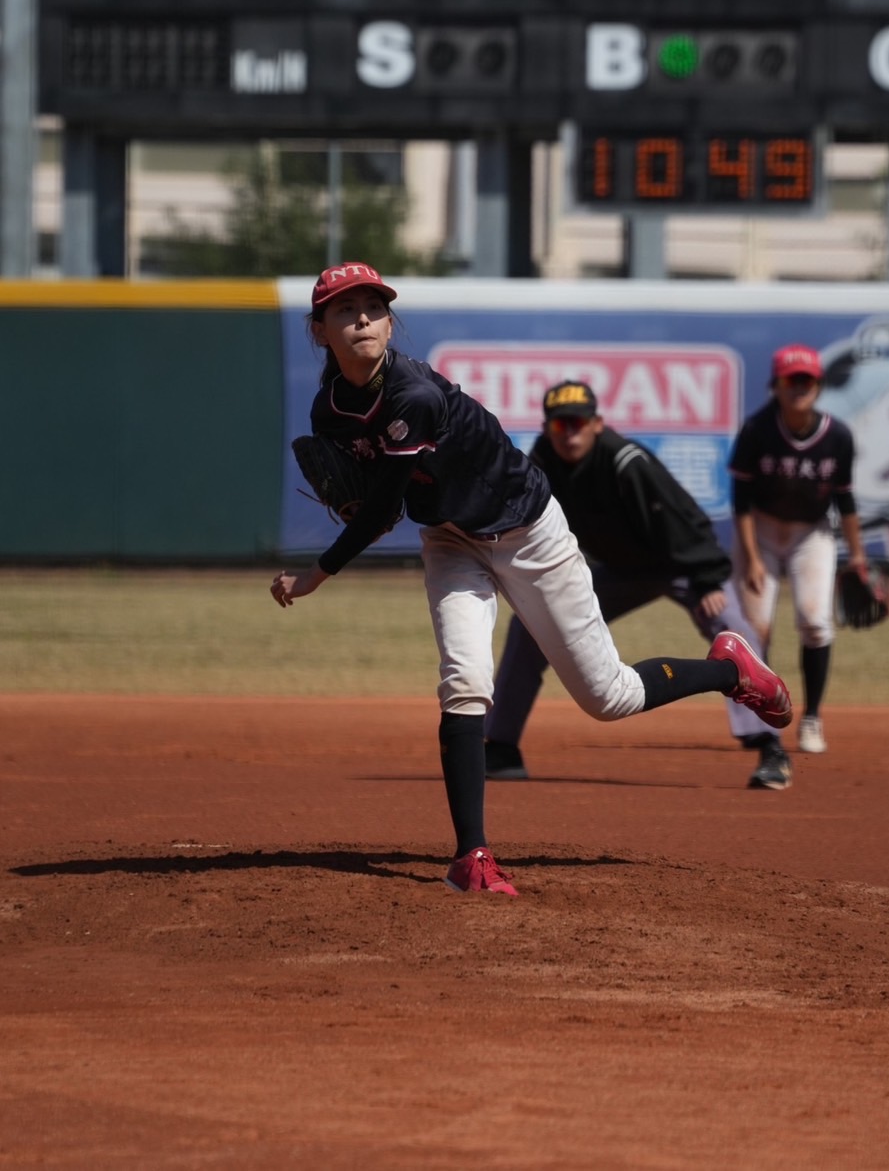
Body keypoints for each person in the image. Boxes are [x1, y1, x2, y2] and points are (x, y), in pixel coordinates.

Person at [270, 263, 793, 897]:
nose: (361, 318)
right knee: (463, 680)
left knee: (610, 698)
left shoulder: (414, 395)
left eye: (373, 307)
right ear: (318, 329)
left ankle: (732, 669)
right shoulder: (330, 411)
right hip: (452, 539)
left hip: (529, 532)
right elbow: (385, 504)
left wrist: (316, 574)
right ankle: (472, 856)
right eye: (343, 309)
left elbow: (381, 510)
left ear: (388, 321)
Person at [485, 380, 792, 792]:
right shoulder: (542, 463)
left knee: (734, 623)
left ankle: (769, 746)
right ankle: (502, 746)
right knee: (528, 627)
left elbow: (683, 518)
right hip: (618, 570)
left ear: (597, 423)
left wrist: (704, 580)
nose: (569, 433)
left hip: (680, 564)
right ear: (547, 428)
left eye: (577, 422)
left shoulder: (626, 460)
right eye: (559, 426)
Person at [729, 342, 866, 757]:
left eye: (806, 379)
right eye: (791, 380)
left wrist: (858, 555)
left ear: (819, 385)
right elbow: (741, 501)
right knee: (757, 630)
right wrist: (751, 557)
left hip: (813, 535)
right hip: (763, 531)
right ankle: (765, 718)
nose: (799, 387)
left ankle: (812, 718)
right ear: (776, 386)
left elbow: (845, 498)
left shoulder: (837, 437)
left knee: (815, 622)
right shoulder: (757, 431)